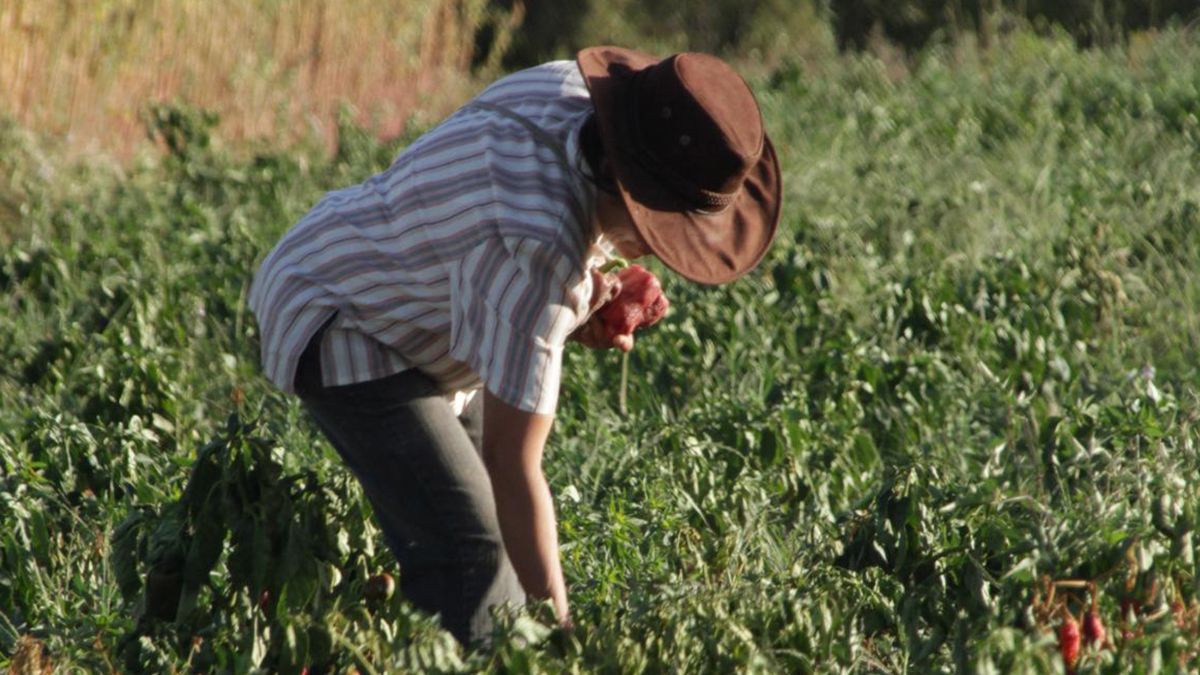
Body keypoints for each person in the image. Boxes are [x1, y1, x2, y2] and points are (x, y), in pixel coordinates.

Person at [248, 46, 781, 647]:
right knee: (475, 551)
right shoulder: (541, 250)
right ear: (627, 184)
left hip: (385, 270)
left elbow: (494, 244)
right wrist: (561, 639)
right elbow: (514, 464)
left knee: (493, 537)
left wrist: (583, 301)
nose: (663, 248)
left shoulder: (571, 96)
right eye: (666, 228)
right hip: (343, 314)